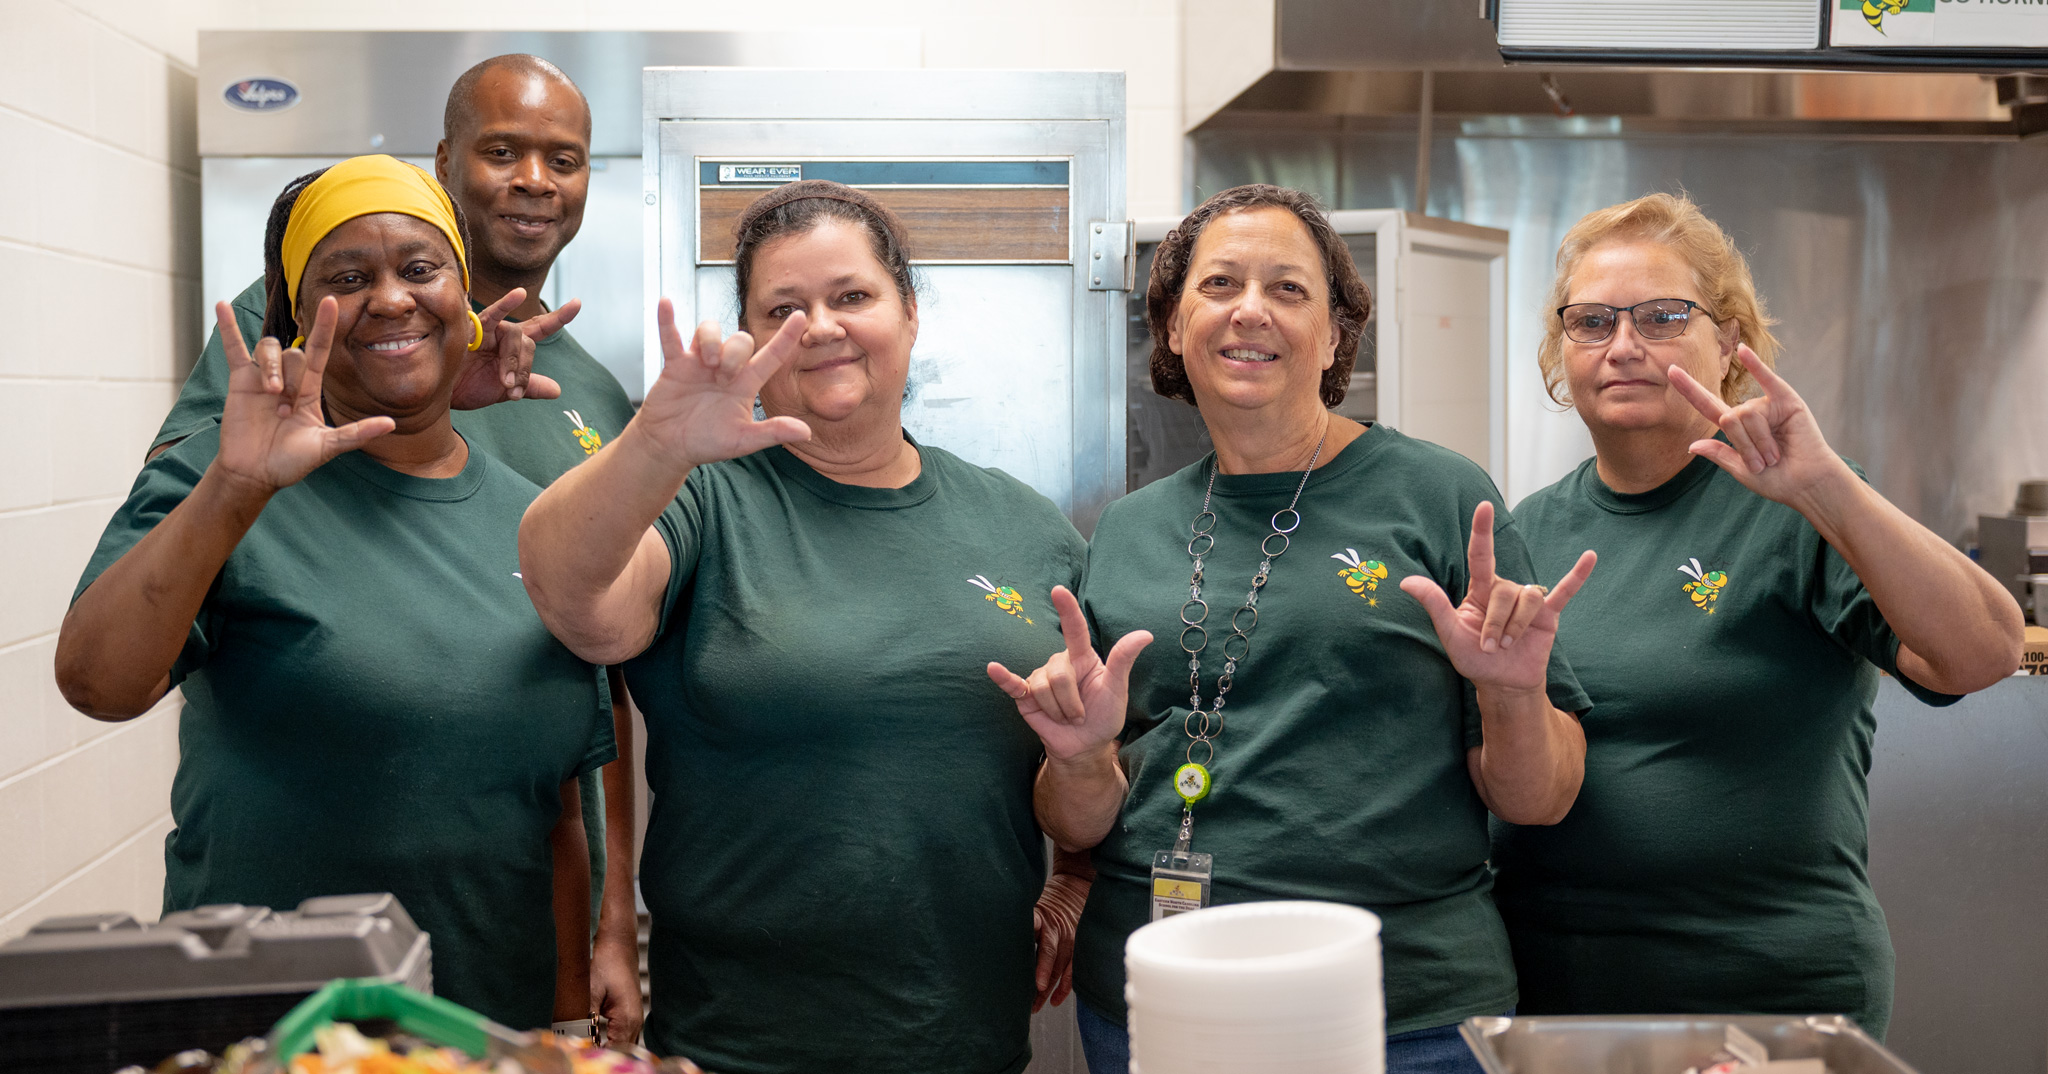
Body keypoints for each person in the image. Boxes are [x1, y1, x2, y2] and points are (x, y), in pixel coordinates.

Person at [987, 183, 1597, 1074]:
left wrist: (1511, 694)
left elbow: (1540, 797)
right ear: (1170, 325)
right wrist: (1078, 759)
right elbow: (1085, 810)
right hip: (1161, 1004)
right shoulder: (1127, 529)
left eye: (1289, 289)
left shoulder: (1437, 497)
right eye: (1220, 284)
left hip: (1400, 1013)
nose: (1249, 312)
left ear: (1336, 334)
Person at [517, 180, 1095, 1074]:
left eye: (851, 296)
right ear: (751, 337)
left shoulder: (1027, 526)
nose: (820, 326)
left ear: (909, 312)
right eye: (784, 307)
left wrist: (1081, 873)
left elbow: (1086, 751)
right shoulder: (705, 498)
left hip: (966, 1039)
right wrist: (656, 446)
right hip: (738, 1044)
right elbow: (578, 606)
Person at [145, 55, 644, 1041]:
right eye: (501, 153)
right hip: (306, 906)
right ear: (446, 162)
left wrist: (613, 919)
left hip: (522, 892)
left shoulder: (589, 392)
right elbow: (194, 498)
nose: (534, 182)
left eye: (562, 158)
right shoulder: (303, 319)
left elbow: (604, 674)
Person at [1490, 192, 2024, 1039]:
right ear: (1564, 350)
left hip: (1773, 994)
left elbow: (1982, 653)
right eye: (1591, 322)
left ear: (1730, 342)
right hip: (1559, 995)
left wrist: (1828, 489)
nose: (1623, 345)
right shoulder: (1527, 531)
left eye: (1663, 317)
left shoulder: (1795, 501)